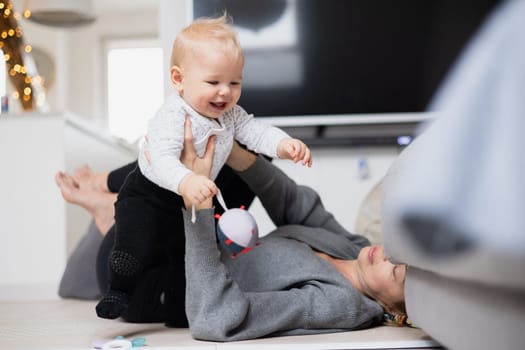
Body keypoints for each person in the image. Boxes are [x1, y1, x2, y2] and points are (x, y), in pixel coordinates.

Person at [96, 14, 314, 320]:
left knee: (183, 264)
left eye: (234, 82)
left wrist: (284, 144)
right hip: (148, 196)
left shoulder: (230, 114)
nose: (225, 92)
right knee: (131, 250)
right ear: (178, 79)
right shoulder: (173, 115)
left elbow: (256, 131)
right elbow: (162, 159)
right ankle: (119, 290)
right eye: (213, 82)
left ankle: (178, 310)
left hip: (189, 202)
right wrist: (186, 181)